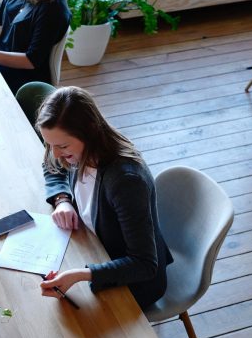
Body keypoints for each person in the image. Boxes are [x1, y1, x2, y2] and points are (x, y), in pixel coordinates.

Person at [36, 86, 173, 309]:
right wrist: (62, 199)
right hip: (94, 247)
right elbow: (52, 164)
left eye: (62, 146)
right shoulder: (78, 149)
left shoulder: (125, 181)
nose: (56, 153)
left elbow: (144, 264)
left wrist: (82, 275)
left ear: (89, 132)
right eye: (50, 144)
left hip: (133, 281)